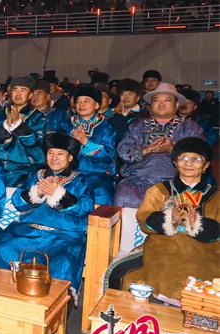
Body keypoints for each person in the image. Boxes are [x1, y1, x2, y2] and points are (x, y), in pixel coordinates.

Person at [106, 137, 218, 301]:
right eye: (183, 158)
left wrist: (197, 224)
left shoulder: (216, 195)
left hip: (205, 249)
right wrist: (169, 218)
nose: (189, 163)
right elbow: (144, 219)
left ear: (206, 166)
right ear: (175, 163)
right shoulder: (159, 190)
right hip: (163, 245)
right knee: (123, 275)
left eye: (196, 159)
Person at [0, 133, 95, 293]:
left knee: (63, 263)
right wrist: (37, 192)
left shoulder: (81, 180)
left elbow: (86, 207)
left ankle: (53, 310)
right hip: (29, 232)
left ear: (71, 158)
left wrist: (59, 194)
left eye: (60, 154)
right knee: (2, 249)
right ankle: (5, 296)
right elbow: (18, 203)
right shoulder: (35, 176)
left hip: (64, 237)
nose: (54, 158)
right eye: (50, 153)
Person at [115, 82, 205, 252]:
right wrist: (145, 150)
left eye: (167, 100)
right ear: (150, 105)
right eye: (157, 100)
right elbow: (122, 150)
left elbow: (200, 152)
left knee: (183, 206)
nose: (162, 104)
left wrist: (172, 149)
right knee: (123, 196)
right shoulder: (137, 126)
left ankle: (170, 252)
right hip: (137, 180)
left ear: (177, 104)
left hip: (175, 183)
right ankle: (125, 250)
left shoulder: (190, 127)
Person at [47, 85, 117, 205]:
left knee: (101, 193)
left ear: (96, 105)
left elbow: (108, 155)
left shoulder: (106, 127)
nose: (81, 104)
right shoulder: (67, 123)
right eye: (78, 101)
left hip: (97, 173)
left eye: (86, 101)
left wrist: (85, 142)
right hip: (69, 171)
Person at [0, 75, 47, 188]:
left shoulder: (38, 117)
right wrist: (7, 124)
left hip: (25, 166)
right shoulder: (0, 113)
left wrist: (17, 124)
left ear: (31, 95)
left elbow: (34, 143)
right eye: (15, 90)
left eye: (23, 90)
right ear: (10, 93)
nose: (18, 94)